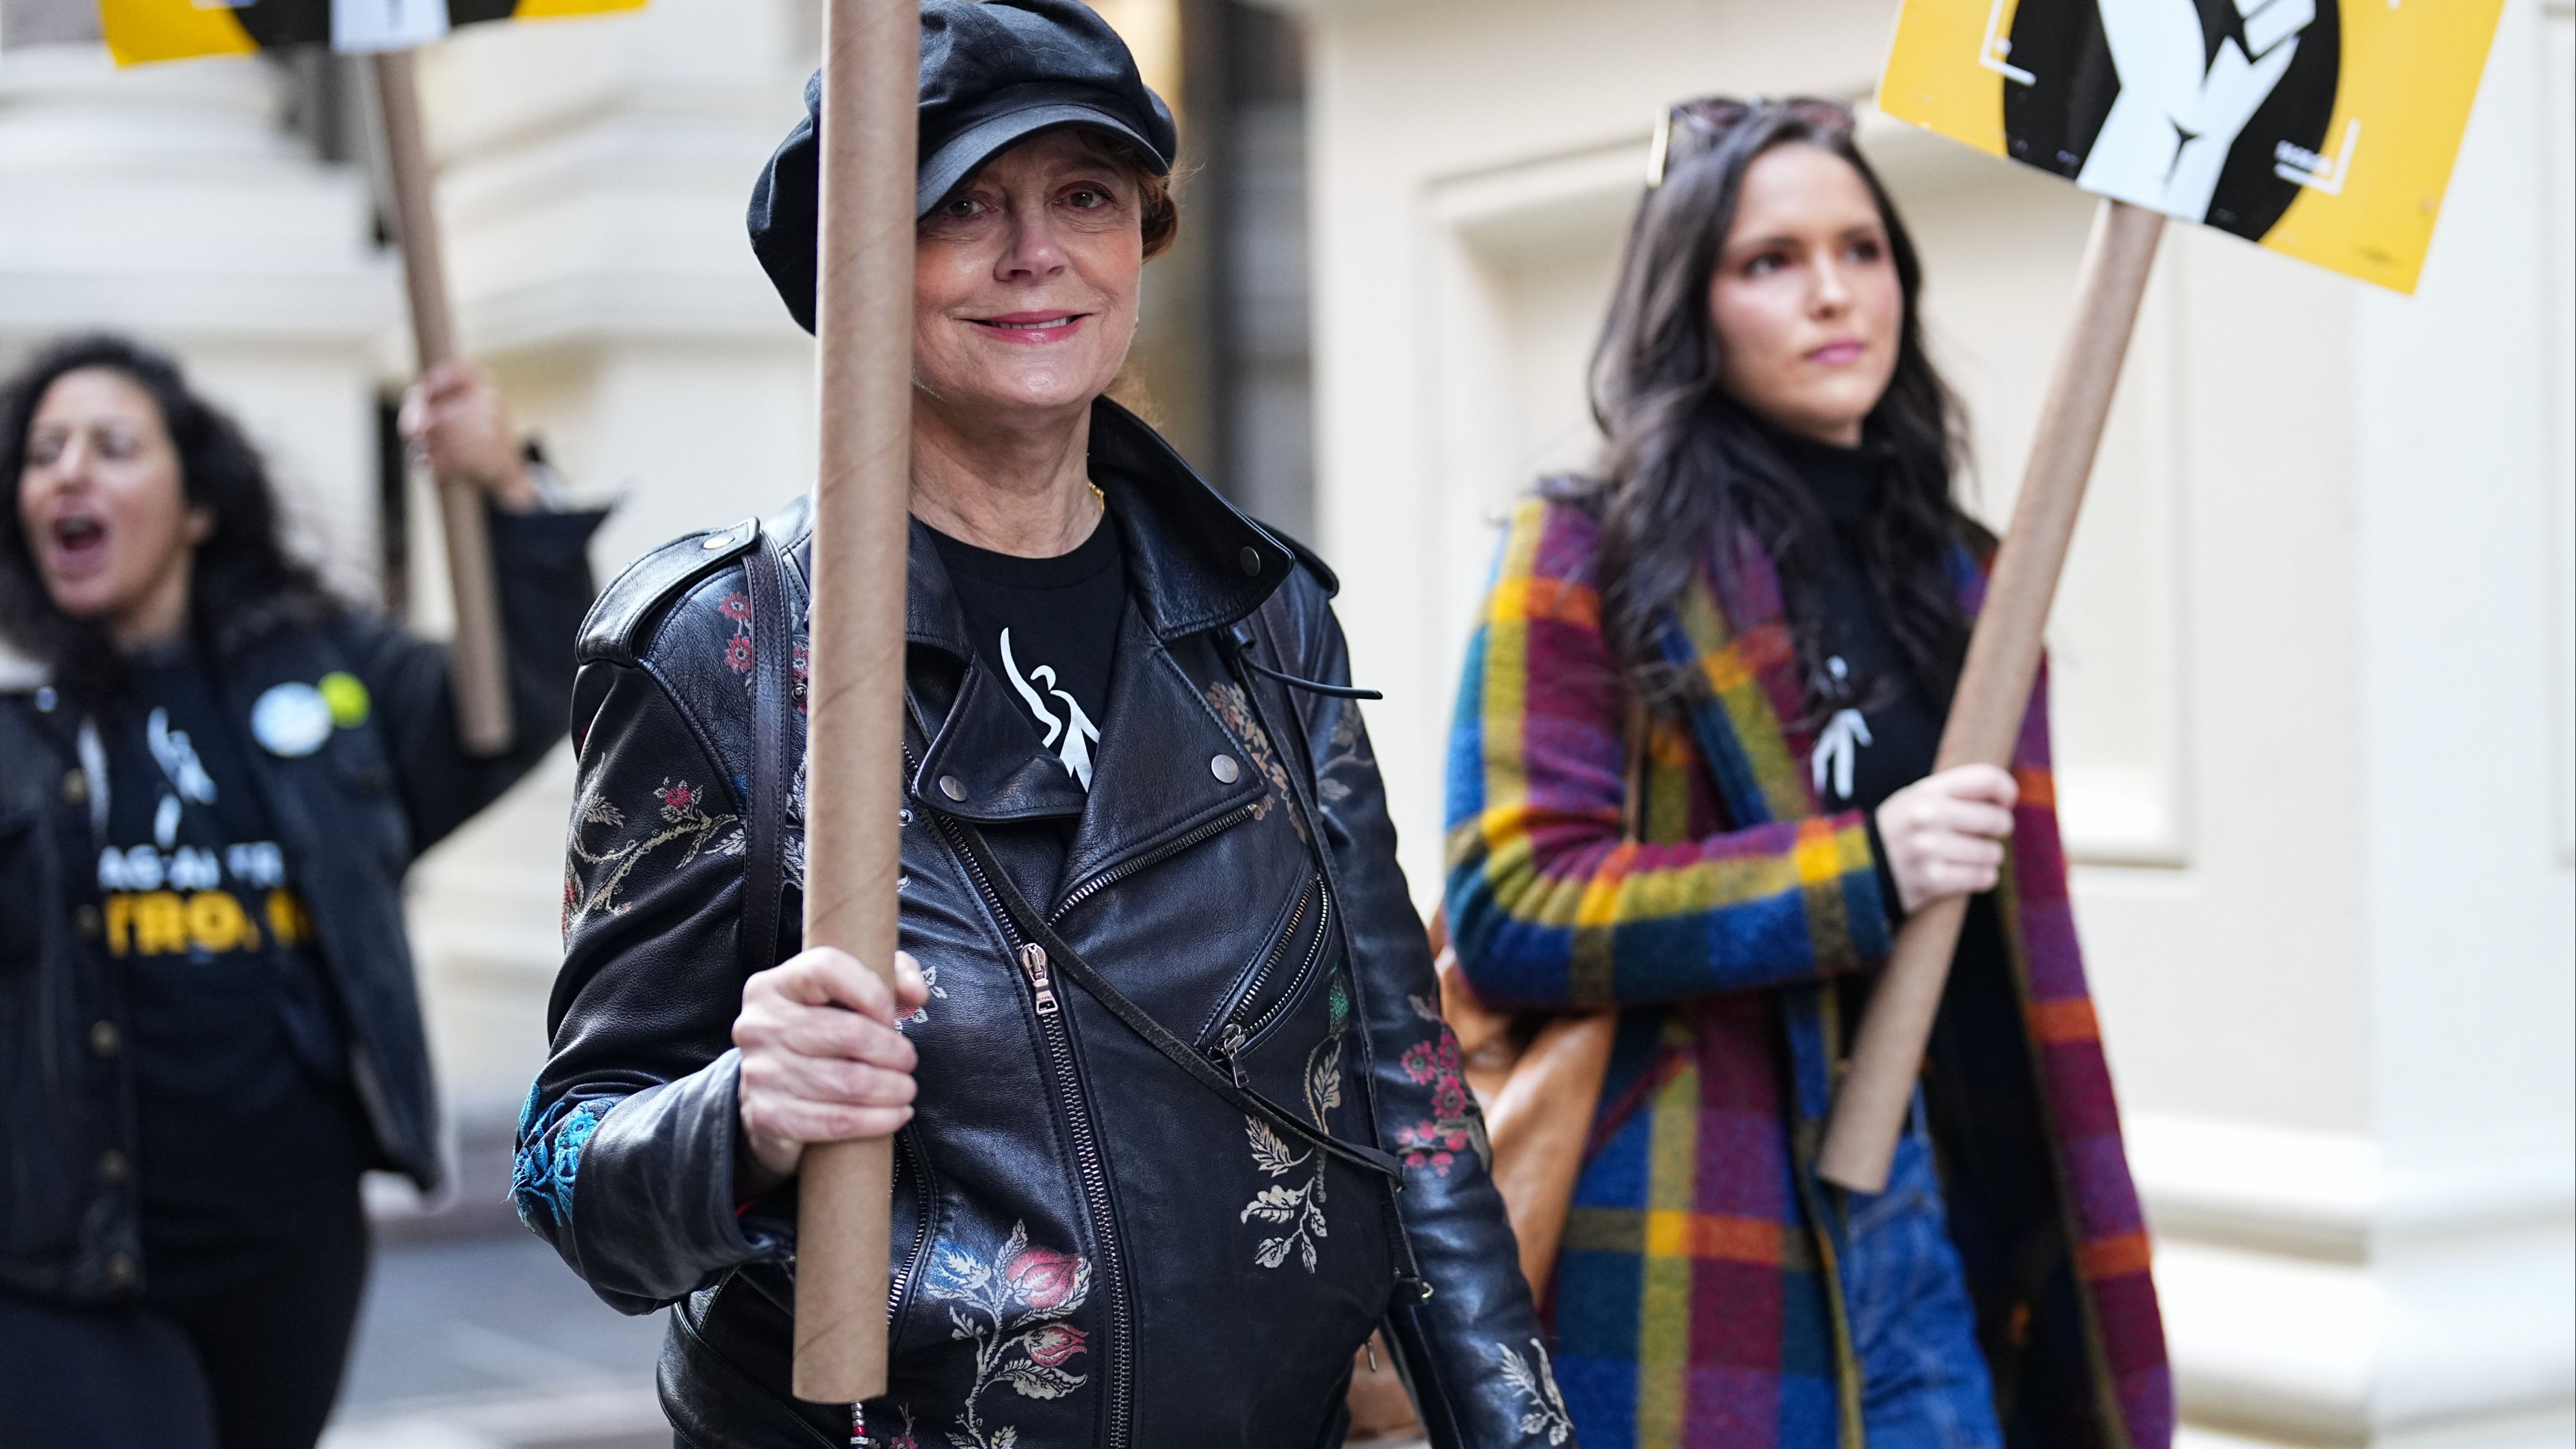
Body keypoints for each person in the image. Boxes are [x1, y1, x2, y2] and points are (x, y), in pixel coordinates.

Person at [513, 4, 1559, 1447]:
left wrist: (1519, 1431)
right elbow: (569, 1168)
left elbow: (1410, 1101)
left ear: (1142, 239)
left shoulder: (1264, 618)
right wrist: (741, 1115)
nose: (1033, 253)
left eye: (1084, 196)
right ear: (854, 268)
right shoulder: (720, 650)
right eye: (961, 206)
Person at [1441, 99, 2173, 1448]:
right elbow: (1514, 905)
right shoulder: (1589, 552)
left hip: (1928, 1217)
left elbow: (2012, 953)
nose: (1831, 292)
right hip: (1695, 1216)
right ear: (1689, 304)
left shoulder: (1965, 577)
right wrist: (1861, 869)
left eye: (1859, 248)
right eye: (1768, 260)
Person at [0, 334, 604, 1449]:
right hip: (65, 1262)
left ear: (197, 506)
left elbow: (517, 698)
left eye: (112, 446)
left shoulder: (328, 675)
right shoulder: (15, 714)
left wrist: (506, 489)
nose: (69, 471)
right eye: (44, 453)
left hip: (290, 1254)